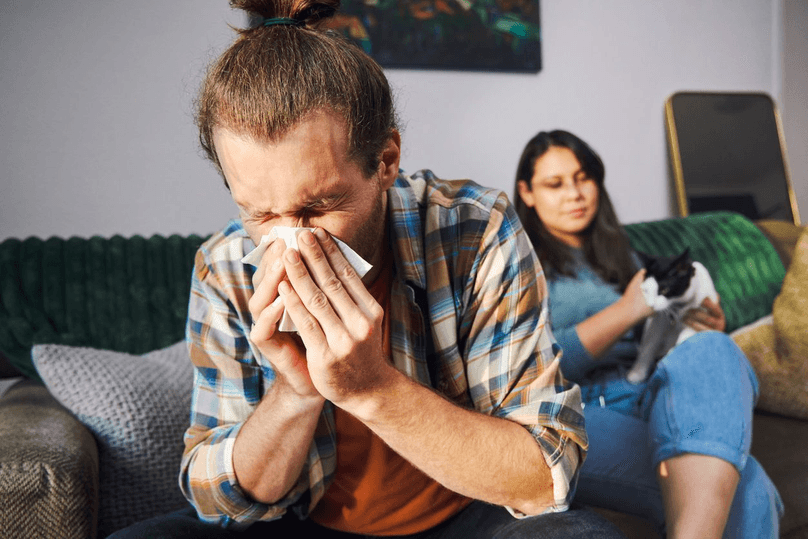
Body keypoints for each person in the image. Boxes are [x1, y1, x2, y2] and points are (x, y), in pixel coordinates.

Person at [109, 2, 628, 538]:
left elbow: (544, 476)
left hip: (465, 517)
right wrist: (297, 390)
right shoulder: (224, 268)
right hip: (304, 522)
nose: (292, 240)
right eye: (260, 214)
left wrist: (372, 388)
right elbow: (218, 501)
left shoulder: (474, 231)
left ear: (385, 161)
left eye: (318, 207)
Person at [512, 129, 784, 539]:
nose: (575, 193)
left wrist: (698, 321)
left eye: (583, 178)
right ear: (527, 193)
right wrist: (627, 310)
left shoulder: (628, 257)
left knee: (711, 348)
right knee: (749, 489)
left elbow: (666, 342)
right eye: (555, 183)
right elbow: (532, 368)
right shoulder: (518, 264)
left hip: (652, 395)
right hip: (580, 411)